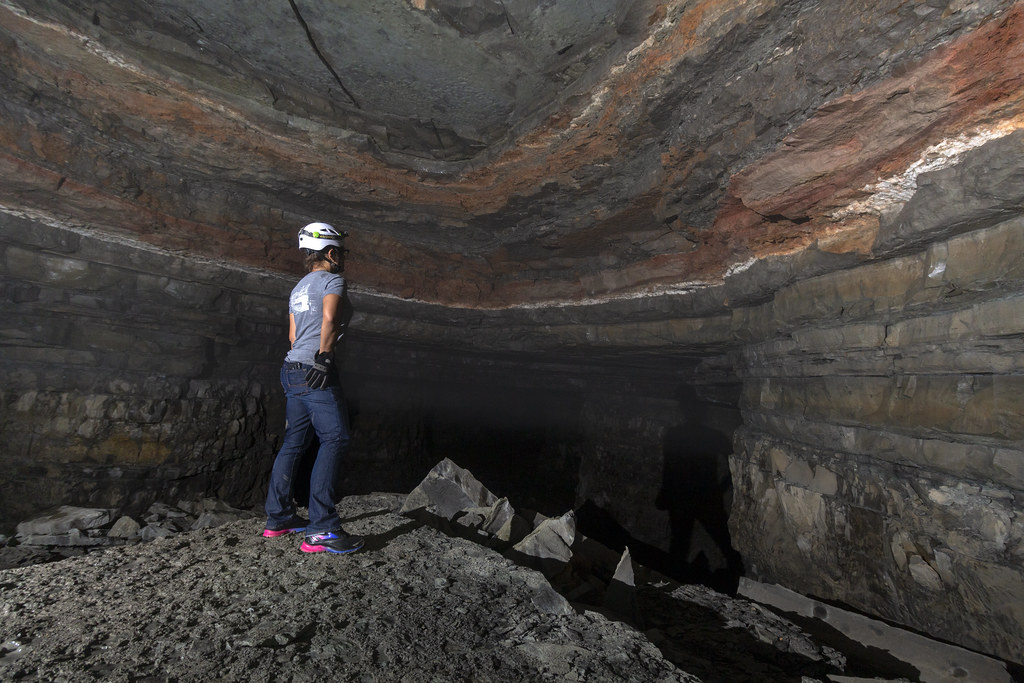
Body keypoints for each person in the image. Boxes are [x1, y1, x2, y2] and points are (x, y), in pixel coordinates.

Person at [262, 222, 364, 554]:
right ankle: (322, 529)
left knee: (294, 442)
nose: (344, 259)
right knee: (335, 438)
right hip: (315, 369)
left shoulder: (298, 289)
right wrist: (324, 358)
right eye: (342, 253)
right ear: (331, 253)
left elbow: (292, 337)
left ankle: (277, 518)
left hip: (291, 368)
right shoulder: (334, 280)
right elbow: (330, 319)